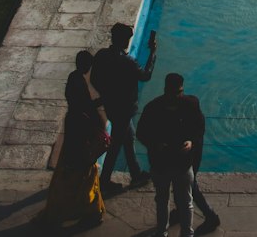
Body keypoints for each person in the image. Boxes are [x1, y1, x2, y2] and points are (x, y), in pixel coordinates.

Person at [35, 51, 106, 229]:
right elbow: (83, 105)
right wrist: (100, 102)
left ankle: (70, 208)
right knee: (85, 171)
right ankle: (91, 211)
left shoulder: (74, 77)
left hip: (76, 128)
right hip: (81, 132)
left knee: (73, 169)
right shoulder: (78, 82)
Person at [136, 71, 206, 237]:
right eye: (174, 93)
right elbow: (141, 133)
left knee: (185, 202)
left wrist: (192, 141)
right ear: (166, 90)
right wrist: (156, 144)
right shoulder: (152, 108)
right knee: (162, 200)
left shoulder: (190, 104)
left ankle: (186, 234)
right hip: (161, 162)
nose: (176, 96)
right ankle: (162, 232)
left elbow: (199, 128)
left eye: (179, 93)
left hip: (182, 162)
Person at [90, 23, 156, 197]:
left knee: (128, 138)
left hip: (111, 106)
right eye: (127, 38)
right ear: (122, 39)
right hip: (124, 109)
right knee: (116, 144)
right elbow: (146, 75)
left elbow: (95, 79)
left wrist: (106, 94)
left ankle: (135, 173)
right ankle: (104, 182)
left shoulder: (101, 56)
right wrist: (153, 53)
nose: (128, 41)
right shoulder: (127, 62)